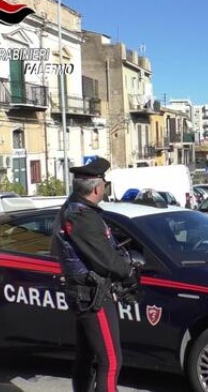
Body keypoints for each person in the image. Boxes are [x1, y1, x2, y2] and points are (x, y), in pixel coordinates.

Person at [50, 158, 138, 392]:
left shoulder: (72, 208)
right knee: (110, 361)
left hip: (83, 293)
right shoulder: (82, 216)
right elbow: (106, 258)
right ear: (97, 188)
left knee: (86, 356)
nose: (105, 189)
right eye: (104, 184)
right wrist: (128, 271)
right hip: (93, 296)